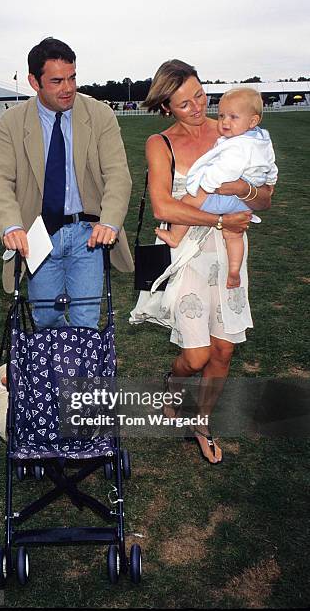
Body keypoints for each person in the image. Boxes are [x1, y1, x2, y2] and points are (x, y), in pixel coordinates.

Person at [130, 60, 272, 463]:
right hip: (187, 255)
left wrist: (243, 188)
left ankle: (201, 422)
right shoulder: (161, 143)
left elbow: (265, 197)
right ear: (166, 108)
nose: (197, 107)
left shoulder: (235, 129)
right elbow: (163, 204)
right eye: (184, 104)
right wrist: (219, 217)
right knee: (196, 355)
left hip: (229, 252)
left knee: (223, 351)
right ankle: (172, 383)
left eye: (199, 95)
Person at [0, 37, 133, 329]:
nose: (68, 88)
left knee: (86, 323)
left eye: (72, 77)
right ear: (33, 81)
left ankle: (79, 372)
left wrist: (110, 223)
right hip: (38, 236)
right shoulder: (12, 122)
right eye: (56, 81)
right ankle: (61, 370)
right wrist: (12, 226)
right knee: (47, 321)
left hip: (88, 235)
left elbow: (118, 174)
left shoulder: (100, 114)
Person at [155, 87, 278, 288]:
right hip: (242, 206)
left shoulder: (237, 145)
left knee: (190, 199)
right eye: (221, 116)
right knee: (234, 236)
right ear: (167, 107)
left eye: (232, 117)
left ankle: (175, 235)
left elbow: (225, 172)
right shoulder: (260, 139)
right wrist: (271, 181)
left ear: (252, 121)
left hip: (225, 195)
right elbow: (270, 164)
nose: (225, 122)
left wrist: (206, 185)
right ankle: (234, 270)